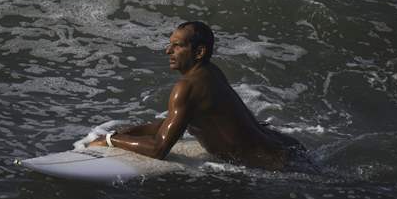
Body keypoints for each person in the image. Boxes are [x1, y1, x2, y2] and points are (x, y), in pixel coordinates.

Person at [88, 21, 306, 170]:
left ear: (199, 52)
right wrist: (125, 133)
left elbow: (158, 150)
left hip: (275, 167)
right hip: (288, 150)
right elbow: (176, 122)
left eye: (177, 46)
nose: (168, 51)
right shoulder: (210, 72)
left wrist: (112, 140)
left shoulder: (187, 87)